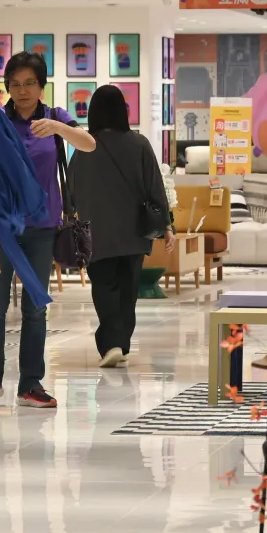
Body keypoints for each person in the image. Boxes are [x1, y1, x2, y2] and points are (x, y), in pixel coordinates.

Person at [0, 52, 96, 410]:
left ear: (42, 86)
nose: (22, 91)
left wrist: (58, 129)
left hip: (42, 228)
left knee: (35, 308)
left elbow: (89, 144)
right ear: (7, 87)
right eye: (15, 84)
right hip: (0, 227)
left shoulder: (55, 117)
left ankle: (31, 383)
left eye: (29, 83)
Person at [69, 85, 173, 368]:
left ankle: (111, 344)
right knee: (128, 291)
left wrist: (66, 219)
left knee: (104, 288)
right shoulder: (138, 144)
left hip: (97, 234)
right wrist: (166, 225)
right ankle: (120, 344)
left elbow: (71, 191)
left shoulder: (83, 147)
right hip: (133, 233)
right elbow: (155, 186)